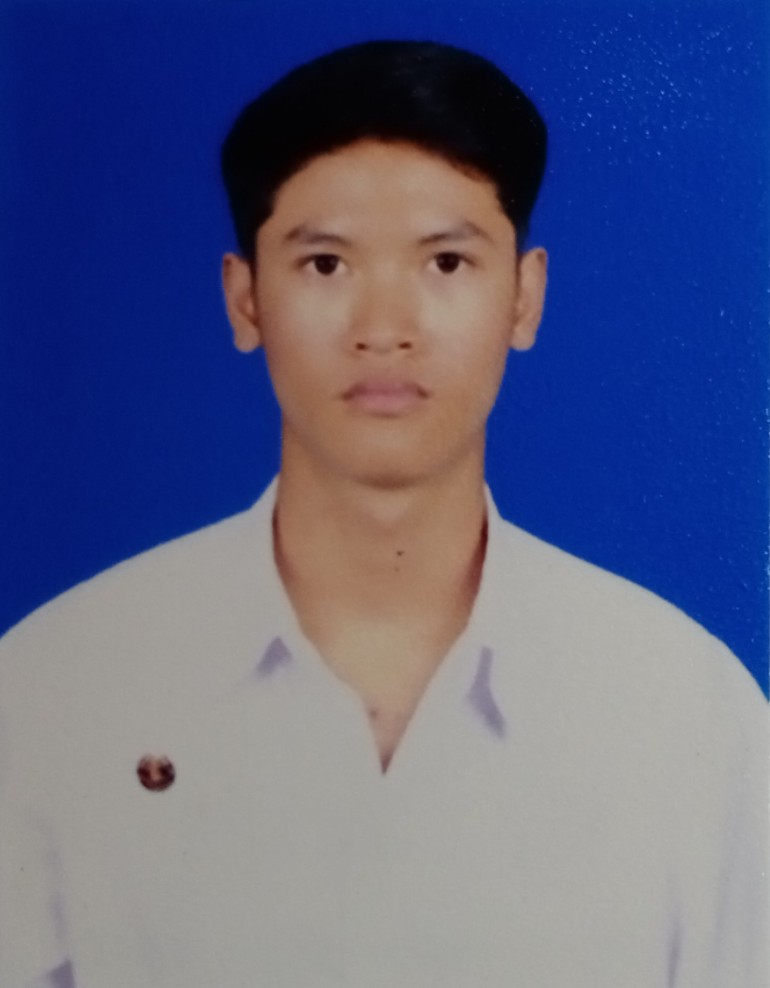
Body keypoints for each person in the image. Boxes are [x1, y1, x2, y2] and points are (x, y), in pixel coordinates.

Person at [0, 40, 766, 988]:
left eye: (446, 261)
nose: (385, 327)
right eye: (326, 264)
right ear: (245, 300)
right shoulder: (57, 690)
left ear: (525, 297)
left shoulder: (685, 711)